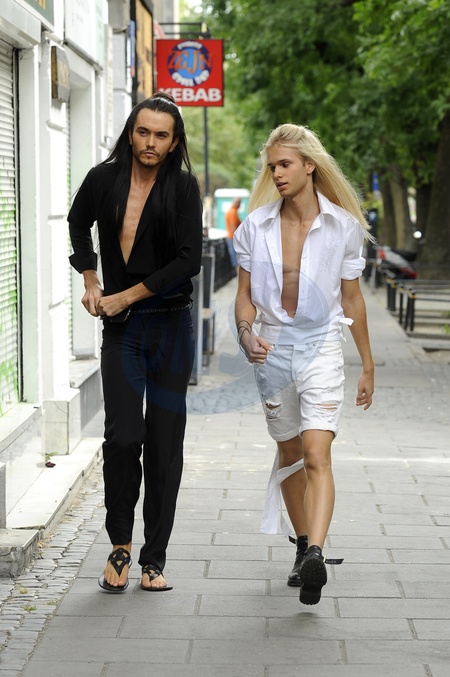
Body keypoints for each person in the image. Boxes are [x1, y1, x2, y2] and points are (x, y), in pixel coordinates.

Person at [233, 123, 374, 605]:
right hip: (272, 349)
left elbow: (352, 299)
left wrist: (368, 365)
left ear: (310, 165)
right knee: (290, 454)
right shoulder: (255, 227)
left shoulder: (343, 227)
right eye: (272, 166)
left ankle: (316, 552)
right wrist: (245, 333)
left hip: (322, 347)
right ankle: (301, 548)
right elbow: (244, 297)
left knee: (317, 454)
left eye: (285, 164)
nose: (276, 173)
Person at [68, 91, 203, 593]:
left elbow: (189, 260)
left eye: (161, 135)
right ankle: (120, 545)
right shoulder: (103, 179)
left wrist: (126, 295)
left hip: (170, 326)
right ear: (131, 133)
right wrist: (91, 279)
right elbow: (77, 222)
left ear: (174, 142)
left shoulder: (183, 188)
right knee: (123, 437)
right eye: (143, 132)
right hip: (122, 331)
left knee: (164, 444)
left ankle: (154, 558)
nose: (150, 142)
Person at [225, 197, 242, 273]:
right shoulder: (232, 212)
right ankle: (239, 277)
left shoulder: (232, 211)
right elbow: (233, 227)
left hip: (232, 238)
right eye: (240, 203)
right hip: (232, 239)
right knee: (237, 260)